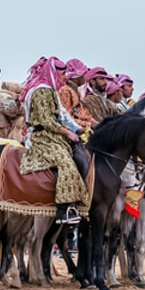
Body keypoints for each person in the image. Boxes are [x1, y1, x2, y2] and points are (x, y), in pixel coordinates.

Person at [19, 57, 87, 225]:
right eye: (62, 74)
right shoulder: (42, 91)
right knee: (66, 162)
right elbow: (46, 121)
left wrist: (76, 128)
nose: (64, 77)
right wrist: (68, 133)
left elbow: (63, 114)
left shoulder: (51, 91)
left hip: (53, 135)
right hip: (42, 137)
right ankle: (63, 210)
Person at [58, 58, 96, 130]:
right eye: (84, 73)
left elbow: (85, 114)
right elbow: (66, 118)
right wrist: (88, 125)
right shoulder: (65, 90)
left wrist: (98, 124)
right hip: (75, 131)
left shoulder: (76, 91)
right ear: (78, 75)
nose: (85, 77)